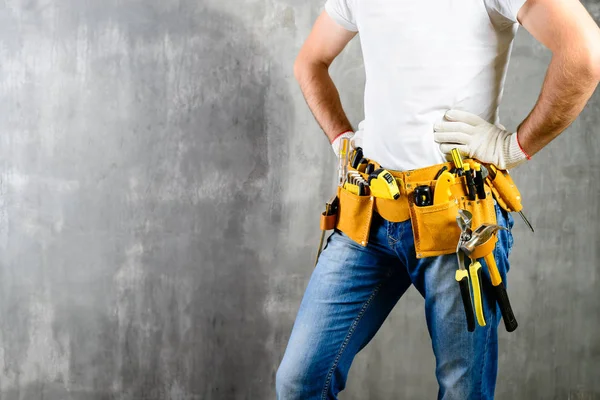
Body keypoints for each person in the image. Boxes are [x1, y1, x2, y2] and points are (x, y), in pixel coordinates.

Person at [276, 0, 600, 398]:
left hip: (457, 223)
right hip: (368, 217)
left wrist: (513, 148)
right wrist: (342, 140)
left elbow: (585, 54)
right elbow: (310, 61)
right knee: (299, 381)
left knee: (462, 391)